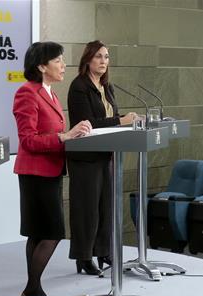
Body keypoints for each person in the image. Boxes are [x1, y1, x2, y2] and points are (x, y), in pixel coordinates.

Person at [13, 41, 92, 296]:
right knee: (51, 233)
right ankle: (32, 288)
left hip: (52, 170)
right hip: (36, 173)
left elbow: (58, 133)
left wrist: (73, 136)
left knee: (38, 232)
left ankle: (33, 288)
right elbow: (27, 139)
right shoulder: (27, 93)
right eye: (57, 60)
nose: (63, 65)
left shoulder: (50, 92)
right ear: (41, 66)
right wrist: (63, 137)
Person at [67, 40, 137, 275]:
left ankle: (104, 252)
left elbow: (113, 117)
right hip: (85, 157)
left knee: (105, 207)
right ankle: (83, 257)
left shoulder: (107, 87)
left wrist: (128, 120)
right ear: (87, 59)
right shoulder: (79, 87)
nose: (104, 62)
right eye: (99, 57)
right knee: (87, 209)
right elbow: (87, 123)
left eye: (107, 57)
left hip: (106, 154)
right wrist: (121, 121)